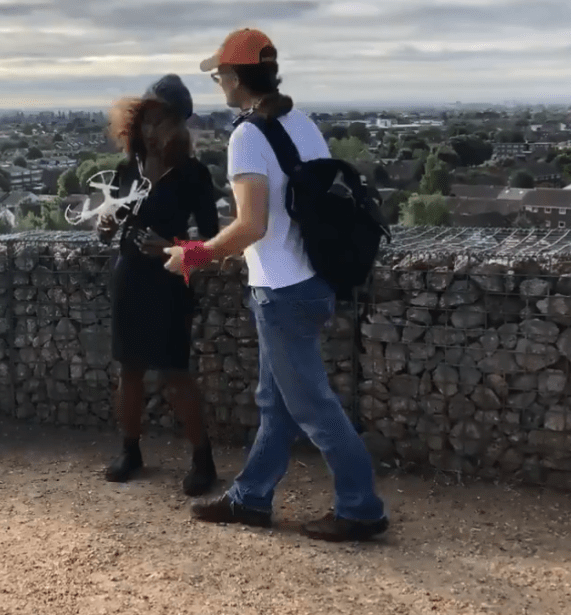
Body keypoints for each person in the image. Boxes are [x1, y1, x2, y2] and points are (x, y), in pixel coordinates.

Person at [163, 29, 389, 541]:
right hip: (314, 279)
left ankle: (361, 507)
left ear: (237, 77)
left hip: (281, 291)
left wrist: (193, 254)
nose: (218, 82)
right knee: (277, 402)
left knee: (312, 405)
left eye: (220, 74)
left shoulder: (247, 136)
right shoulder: (301, 123)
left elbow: (251, 226)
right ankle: (252, 498)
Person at [97, 75, 221, 496]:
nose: (151, 131)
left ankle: (203, 460)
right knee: (128, 371)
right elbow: (106, 233)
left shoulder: (193, 175)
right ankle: (130, 451)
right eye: (146, 120)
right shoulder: (125, 170)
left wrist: (172, 246)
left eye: (162, 122)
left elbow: (213, 245)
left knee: (175, 374)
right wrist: (104, 224)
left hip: (169, 283)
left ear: (180, 127)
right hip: (129, 278)